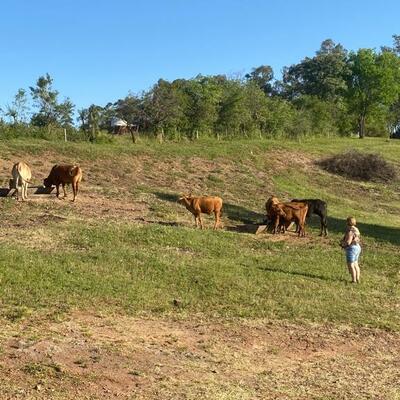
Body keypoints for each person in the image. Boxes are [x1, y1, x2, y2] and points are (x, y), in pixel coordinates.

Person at [341, 217, 361, 283]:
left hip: (351, 249)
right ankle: (357, 278)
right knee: (356, 264)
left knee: (351, 265)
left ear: (347, 223)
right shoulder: (356, 229)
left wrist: (343, 244)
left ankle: (353, 280)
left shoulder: (350, 231)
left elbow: (348, 242)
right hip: (357, 247)